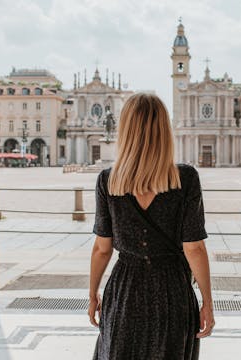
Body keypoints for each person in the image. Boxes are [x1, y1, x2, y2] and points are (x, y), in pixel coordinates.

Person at [88, 93, 214, 359]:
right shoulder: (186, 178)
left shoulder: (108, 181)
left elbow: (102, 248)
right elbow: (195, 249)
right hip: (172, 290)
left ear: (125, 130)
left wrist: (92, 293)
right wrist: (207, 302)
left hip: (124, 290)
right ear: (164, 131)